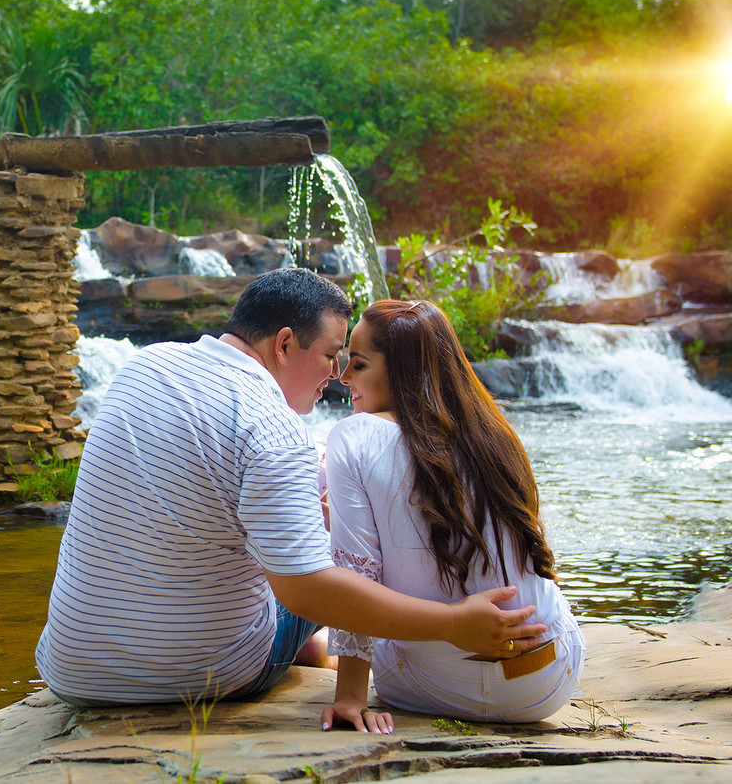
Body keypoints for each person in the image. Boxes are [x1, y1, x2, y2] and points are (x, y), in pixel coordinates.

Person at [35, 269, 546, 709]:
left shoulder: (145, 366)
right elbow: (308, 592)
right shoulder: (271, 427)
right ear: (283, 344)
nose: (338, 376)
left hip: (69, 672)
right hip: (198, 678)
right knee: (340, 543)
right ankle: (308, 651)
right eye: (329, 355)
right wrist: (452, 624)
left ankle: (307, 647)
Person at [320, 299, 585, 734]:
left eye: (359, 364)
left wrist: (350, 696)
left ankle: (313, 650)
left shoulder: (354, 436)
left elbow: (357, 573)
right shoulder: (493, 432)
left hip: (430, 687)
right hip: (545, 683)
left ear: (402, 370)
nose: (343, 377)